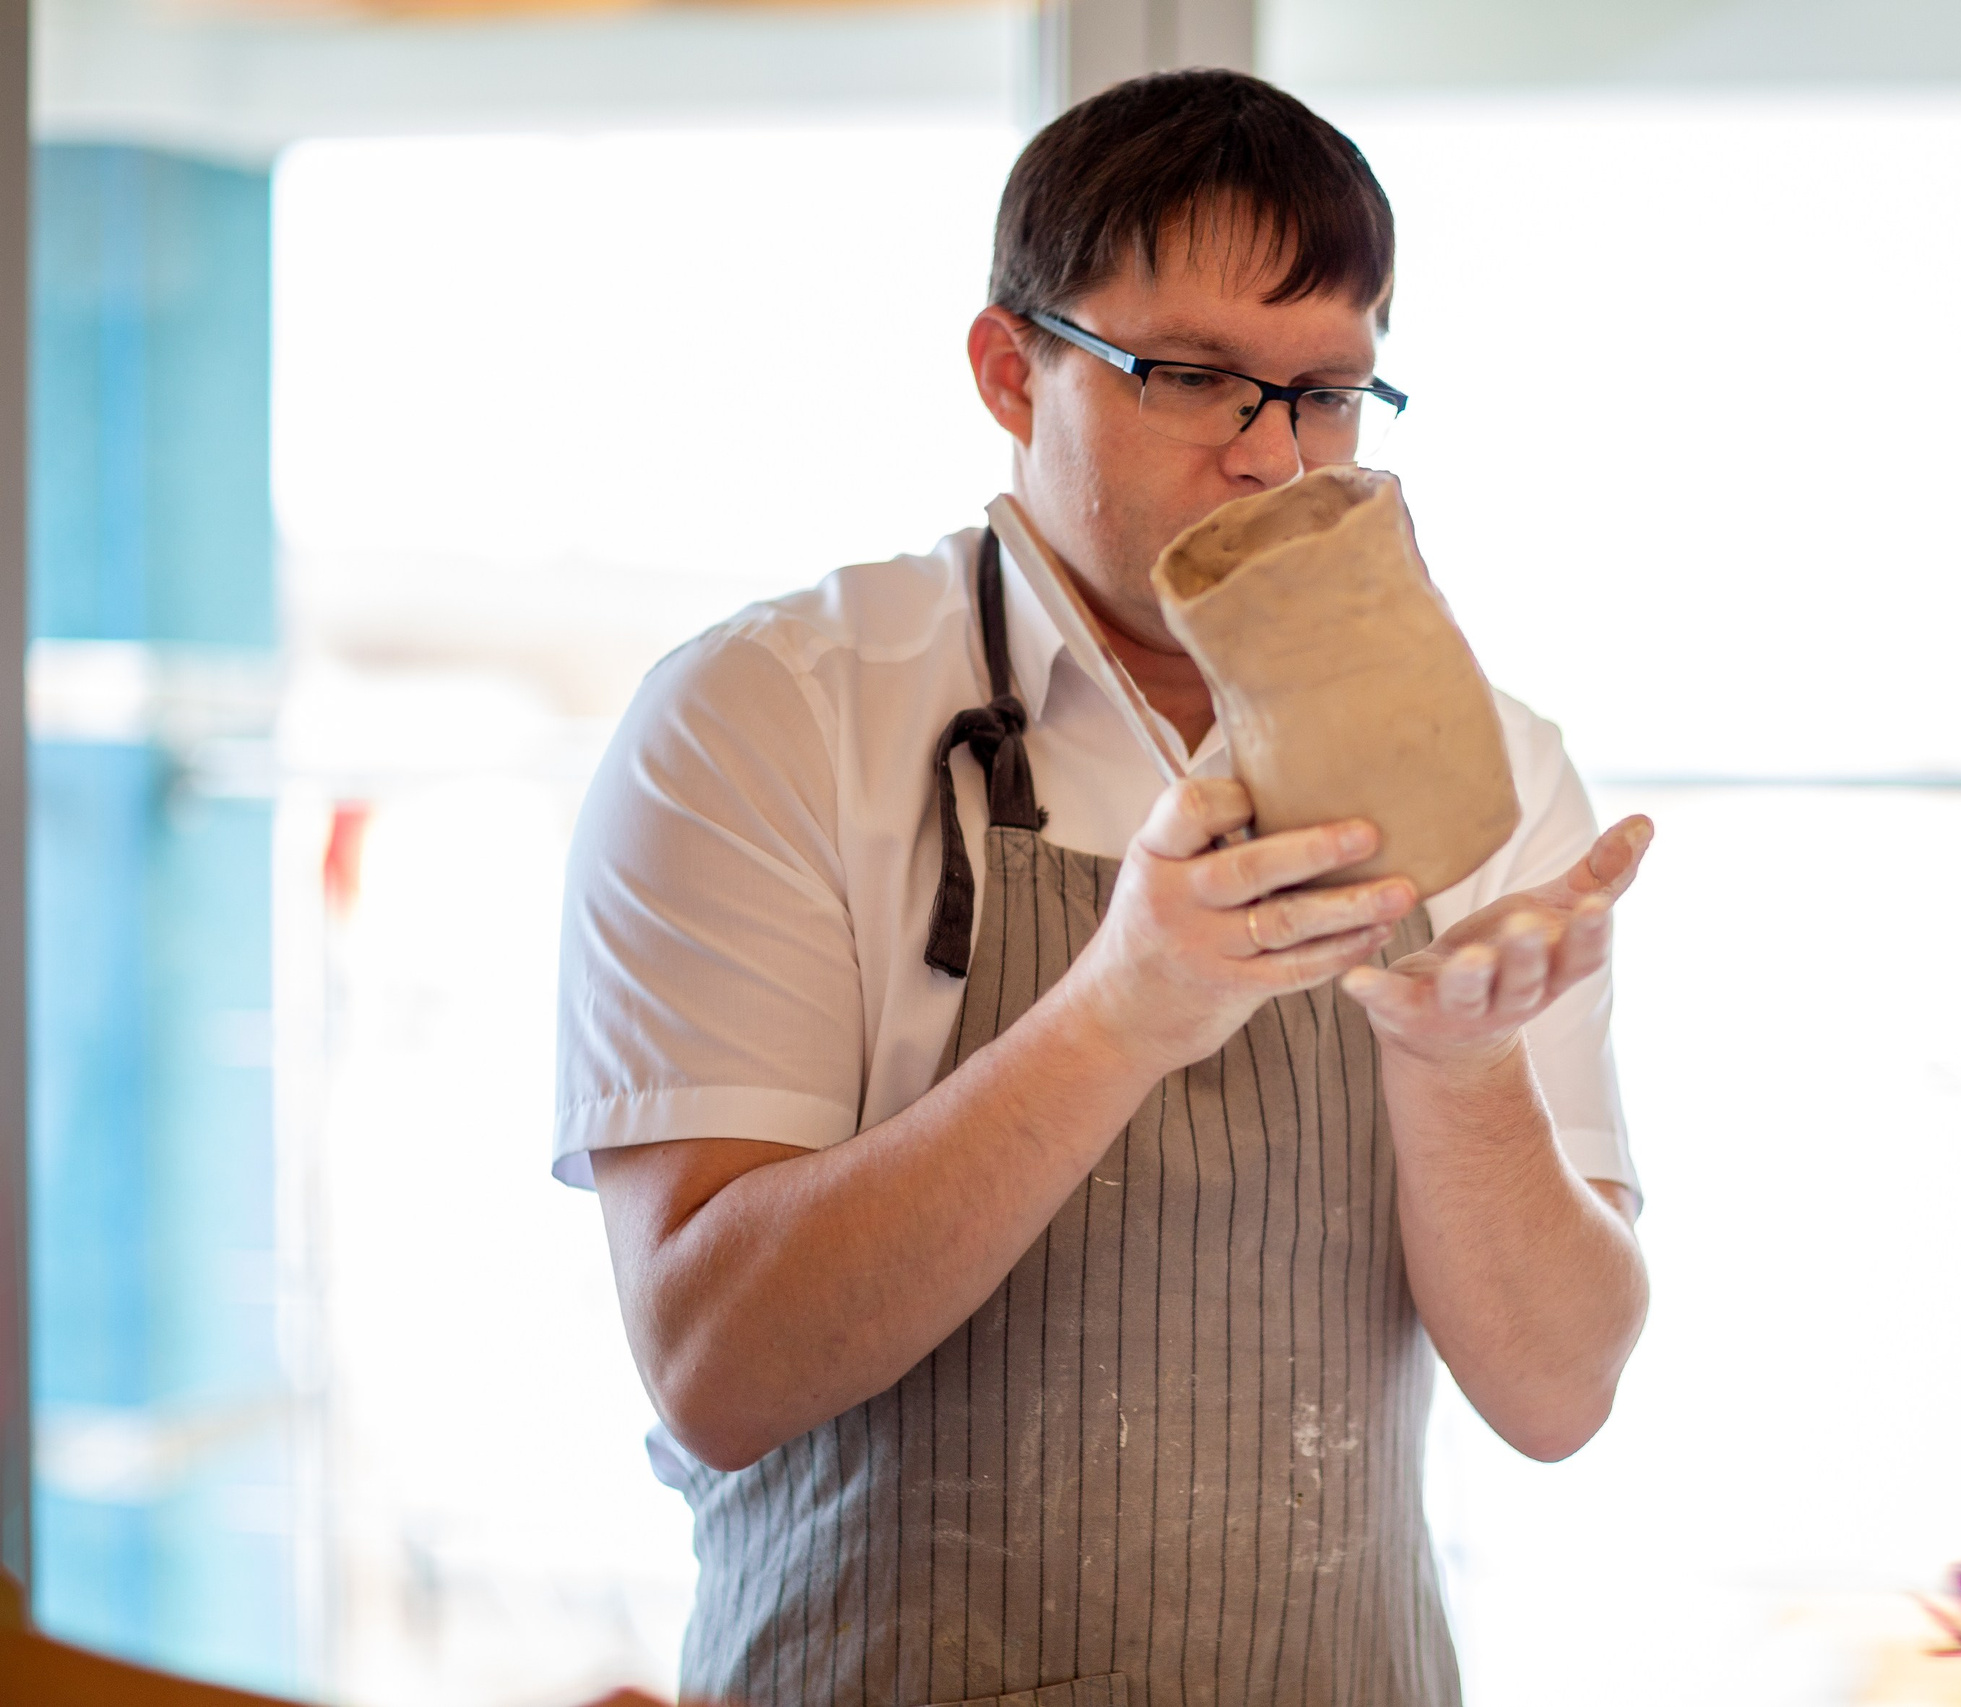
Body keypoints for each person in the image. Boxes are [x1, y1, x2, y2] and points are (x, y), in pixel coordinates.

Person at [555, 68, 1650, 1707]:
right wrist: (1123, 1008)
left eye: (1330, 394)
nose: (1273, 459)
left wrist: (1461, 1062)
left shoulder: (1486, 771)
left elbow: (1561, 1396)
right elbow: (715, 1364)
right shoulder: (767, 717)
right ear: (1011, 368)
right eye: (1198, 378)